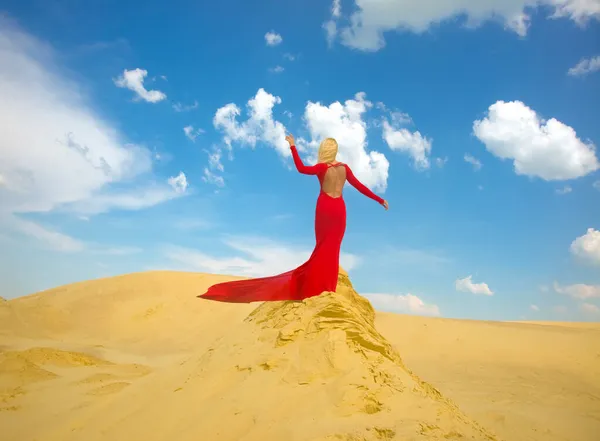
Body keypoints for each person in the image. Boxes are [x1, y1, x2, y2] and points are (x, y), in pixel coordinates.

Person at [197, 134, 388, 303]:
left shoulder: (322, 167)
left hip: (325, 208)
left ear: (324, 151)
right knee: (333, 248)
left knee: (322, 246)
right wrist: (380, 200)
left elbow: (301, 169)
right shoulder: (344, 168)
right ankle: (328, 287)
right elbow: (360, 186)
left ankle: (315, 288)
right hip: (340, 210)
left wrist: (293, 146)